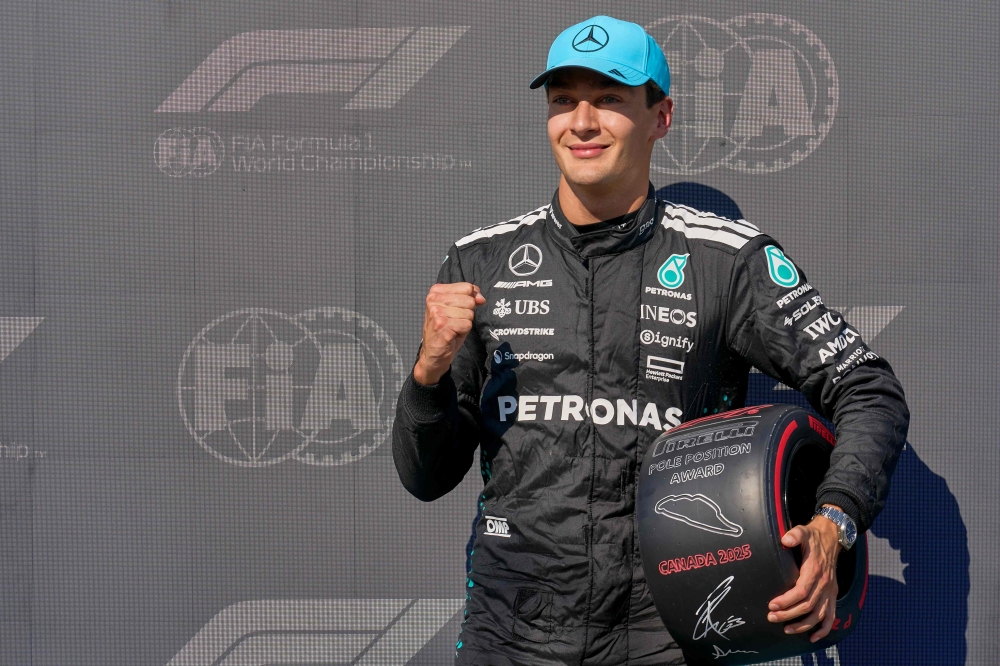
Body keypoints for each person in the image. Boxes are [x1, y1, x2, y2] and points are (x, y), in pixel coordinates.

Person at [392, 15, 909, 666]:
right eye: (563, 101)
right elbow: (425, 477)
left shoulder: (725, 259)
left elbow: (868, 388)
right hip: (510, 634)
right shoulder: (479, 263)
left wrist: (835, 522)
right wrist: (428, 375)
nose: (582, 122)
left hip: (667, 631)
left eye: (609, 99)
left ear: (660, 117)